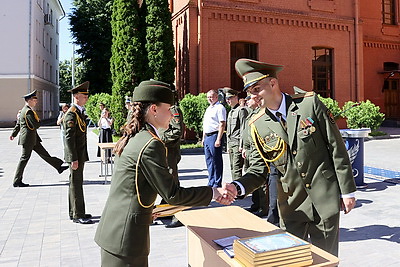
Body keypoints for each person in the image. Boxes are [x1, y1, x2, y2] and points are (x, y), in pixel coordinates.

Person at [94, 80, 234, 266]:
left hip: (117, 230)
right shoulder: (151, 143)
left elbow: (132, 186)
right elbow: (173, 194)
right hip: (126, 238)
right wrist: (213, 192)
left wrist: (150, 209)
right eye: (168, 109)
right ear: (154, 109)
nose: (171, 114)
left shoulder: (136, 135)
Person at [224, 58, 357, 256]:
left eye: (257, 89)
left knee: (326, 259)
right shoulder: (256, 124)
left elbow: (335, 147)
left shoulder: (309, 104)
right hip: (292, 206)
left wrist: (347, 191)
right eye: (250, 92)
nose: (253, 96)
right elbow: (259, 170)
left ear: (273, 83)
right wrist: (238, 186)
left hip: (324, 199)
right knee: (293, 259)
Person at [10, 90, 68, 187]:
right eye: (34, 99)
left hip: (33, 138)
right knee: (24, 159)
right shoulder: (28, 112)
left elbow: (19, 124)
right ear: (29, 100)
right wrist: (38, 120)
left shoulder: (24, 110)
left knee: (44, 154)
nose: (36, 101)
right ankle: (17, 180)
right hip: (28, 139)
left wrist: (13, 134)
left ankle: (58, 166)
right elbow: (36, 125)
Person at [63, 81, 93, 224]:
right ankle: (77, 214)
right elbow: (68, 139)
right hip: (75, 155)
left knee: (75, 182)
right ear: (76, 97)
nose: (86, 98)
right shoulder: (72, 114)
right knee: (76, 183)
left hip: (79, 154)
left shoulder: (79, 112)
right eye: (84, 96)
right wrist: (73, 158)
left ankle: (74, 211)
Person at [159, 103, 185, 228]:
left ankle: (178, 214)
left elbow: (177, 131)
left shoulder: (173, 109)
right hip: (161, 150)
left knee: (172, 181)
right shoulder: (158, 108)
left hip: (169, 150)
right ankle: (167, 208)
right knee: (164, 180)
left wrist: (161, 138)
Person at [202, 89, 226, 187]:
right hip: (207, 136)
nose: (210, 99)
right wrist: (203, 138)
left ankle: (217, 182)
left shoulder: (220, 108)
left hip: (215, 135)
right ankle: (211, 181)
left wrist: (218, 139)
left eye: (211, 97)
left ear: (216, 97)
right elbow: (206, 124)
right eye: (208, 97)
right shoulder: (209, 108)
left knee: (216, 161)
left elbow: (222, 124)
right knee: (209, 161)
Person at [225, 88, 248, 180]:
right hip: (231, 143)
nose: (228, 101)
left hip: (238, 143)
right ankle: (235, 188)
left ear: (236, 97)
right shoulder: (231, 112)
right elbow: (228, 131)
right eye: (227, 99)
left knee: (237, 169)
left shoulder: (241, 110)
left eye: (230, 98)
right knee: (232, 168)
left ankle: (238, 191)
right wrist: (227, 145)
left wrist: (242, 145)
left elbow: (243, 128)